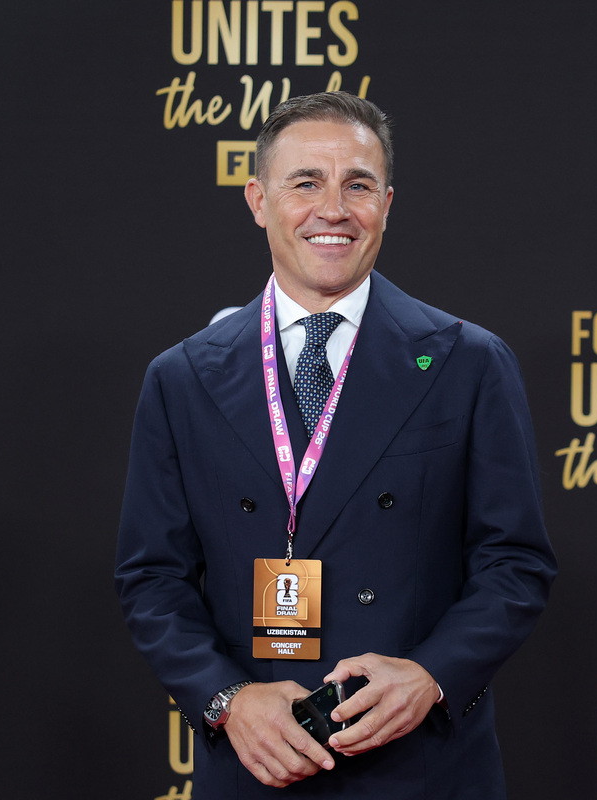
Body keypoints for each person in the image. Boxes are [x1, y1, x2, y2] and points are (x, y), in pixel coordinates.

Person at [114, 91, 556, 799]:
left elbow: (515, 562)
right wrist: (229, 697)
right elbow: (151, 580)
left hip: (421, 768)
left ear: (387, 201)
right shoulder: (182, 378)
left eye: (358, 185)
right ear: (258, 199)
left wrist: (432, 675)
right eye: (306, 183)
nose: (334, 210)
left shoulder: (468, 362)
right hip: (260, 764)